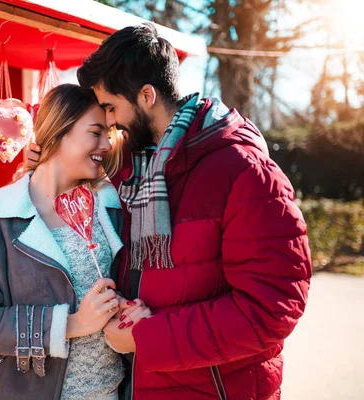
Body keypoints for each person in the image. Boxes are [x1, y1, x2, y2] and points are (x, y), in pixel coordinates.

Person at [25, 23, 312, 400]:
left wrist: (148, 337)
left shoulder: (243, 172)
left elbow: (272, 307)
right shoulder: (133, 170)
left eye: (112, 107)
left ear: (146, 96)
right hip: (144, 384)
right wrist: (52, 163)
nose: (110, 122)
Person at [0, 84, 131, 400]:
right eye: (95, 132)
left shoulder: (112, 205)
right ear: (60, 132)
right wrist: (72, 324)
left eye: (108, 133)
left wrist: (125, 309)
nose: (106, 143)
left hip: (107, 392)